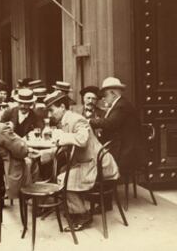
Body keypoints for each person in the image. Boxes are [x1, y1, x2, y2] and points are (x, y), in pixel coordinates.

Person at [36, 91, 118, 231]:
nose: (50, 115)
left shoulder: (77, 119)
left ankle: (82, 215)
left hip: (97, 165)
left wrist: (61, 136)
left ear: (62, 106)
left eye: (51, 110)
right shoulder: (65, 121)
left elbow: (82, 139)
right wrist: (40, 154)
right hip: (86, 162)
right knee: (61, 171)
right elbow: (64, 148)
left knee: (63, 177)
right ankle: (73, 208)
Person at [89, 77, 145, 174]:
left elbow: (110, 124)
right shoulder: (120, 104)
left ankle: (103, 184)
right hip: (123, 146)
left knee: (94, 158)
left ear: (113, 94)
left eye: (105, 95)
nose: (103, 99)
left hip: (127, 151)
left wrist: (89, 121)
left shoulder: (121, 106)